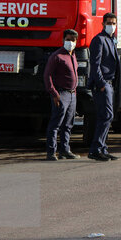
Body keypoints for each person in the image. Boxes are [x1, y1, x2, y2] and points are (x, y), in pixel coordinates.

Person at [43, 29, 81, 161]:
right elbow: (47, 75)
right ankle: (51, 152)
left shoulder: (73, 55)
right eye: (68, 39)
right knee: (56, 124)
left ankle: (65, 150)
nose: (70, 42)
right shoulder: (57, 56)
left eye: (73, 40)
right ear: (63, 40)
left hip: (72, 95)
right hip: (61, 94)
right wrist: (54, 93)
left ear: (76, 42)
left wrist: (74, 93)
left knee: (68, 124)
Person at [88, 13, 121, 161]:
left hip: (110, 83)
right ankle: (95, 149)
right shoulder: (98, 40)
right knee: (106, 115)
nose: (111, 26)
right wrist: (100, 83)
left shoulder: (111, 40)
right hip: (103, 84)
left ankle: (102, 148)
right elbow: (95, 65)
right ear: (103, 24)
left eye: (114, 23)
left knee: (107, 116)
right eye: (109, 23)